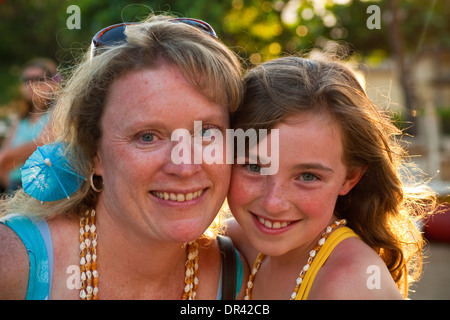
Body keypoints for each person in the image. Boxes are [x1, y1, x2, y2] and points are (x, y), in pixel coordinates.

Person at [0, 14, 248, 300]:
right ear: (94, 153)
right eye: (147, 136)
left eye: (206, 132)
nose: (184, 166)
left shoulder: (243, 277)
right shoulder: (15, 262)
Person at [226, 55, 436, 300]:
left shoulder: (350, 285)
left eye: (307, 176)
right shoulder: (238, 240)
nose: (274, 202)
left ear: (351, 178)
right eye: (253, 166)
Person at [0, 58, 57, 192]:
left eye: (38, 79)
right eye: (26, 80)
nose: (31, 84)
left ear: (52, 82)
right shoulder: (20, 119)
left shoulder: (57, 111)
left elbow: (42, 144)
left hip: (41, 184)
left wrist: (7, 158)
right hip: (15, 186)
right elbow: (4, 154)